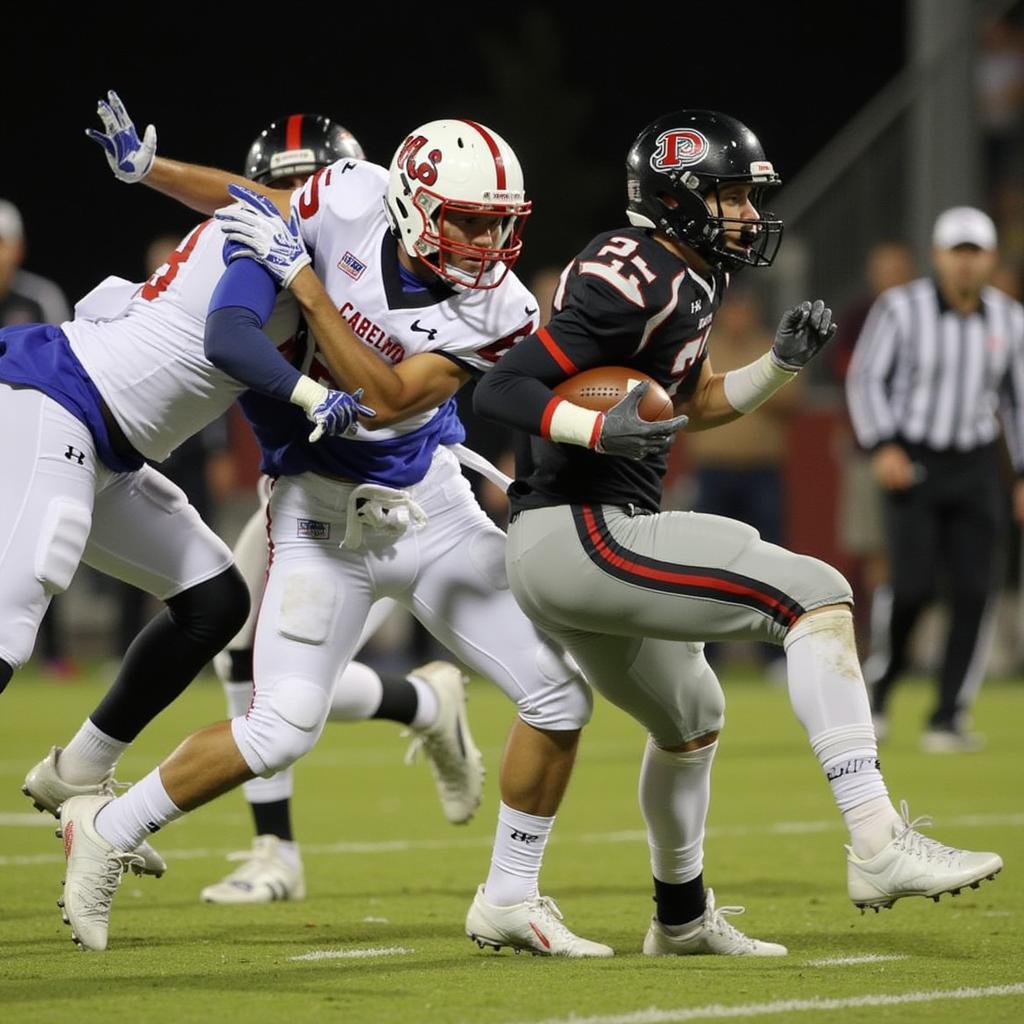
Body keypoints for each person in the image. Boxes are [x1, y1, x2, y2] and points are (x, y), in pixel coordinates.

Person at [54, 97, 605, 956]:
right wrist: (152, 174)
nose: (488, 247)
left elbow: (385, 401)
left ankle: (510, 896)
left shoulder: (500, 311)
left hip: (433, 510)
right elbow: (254, 203)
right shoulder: (345, 193)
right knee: (279, 727)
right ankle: (109, 829)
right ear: (412, 204)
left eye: (500, 227)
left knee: (560, 696)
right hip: (316, 515)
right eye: (468, 222)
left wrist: (305, 284)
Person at [471, 109, 1003, 954]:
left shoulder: (689, 276)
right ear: (679, 198)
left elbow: (686, 408)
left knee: (694, 717)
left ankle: (679, 918)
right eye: (730, 197)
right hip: (579, 529)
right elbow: (500, 390)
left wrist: (780, 365)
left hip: (582, 536)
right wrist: (595, 432)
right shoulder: (636, 272)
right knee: (817, 592)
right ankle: (875, 841)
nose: (749, 217)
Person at [5, 118, 367, 902]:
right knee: (14, 611)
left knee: (213, 599)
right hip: (52, 400)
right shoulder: (273, 232)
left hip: (110, 443)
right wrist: (312, 393)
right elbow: (229, 339)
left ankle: (79, 773)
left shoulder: (288, 233)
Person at [203, 114, 489, 904]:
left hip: (394, 497)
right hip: (301, 485)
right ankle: (423, 704)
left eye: (311, 185)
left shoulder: (377, 267)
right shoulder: (266, 252)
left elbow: (393, 391)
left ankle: (277, 849)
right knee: (247, 654)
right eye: (284, 189)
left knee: (276, 674)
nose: (299, 203)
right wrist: (152, 169)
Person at [846, 206, 1024, 752]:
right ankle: (882, 685)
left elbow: (1017, 402)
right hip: (915, 457)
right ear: (939, 256)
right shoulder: (902, 309)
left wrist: (1021, 473)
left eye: (976, 253)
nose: (966, 264)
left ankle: (948, 714)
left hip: (974, 462)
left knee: (975, 589)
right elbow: (866, 377)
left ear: (990, 258)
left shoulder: (1010, 319)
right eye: (957, 252)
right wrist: (883, 444)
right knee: (915, 587)